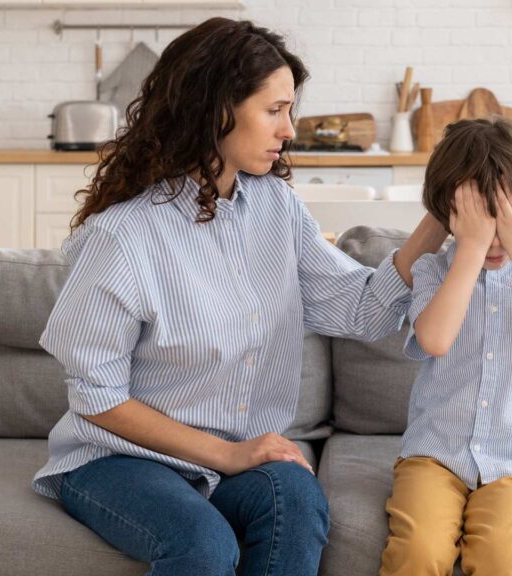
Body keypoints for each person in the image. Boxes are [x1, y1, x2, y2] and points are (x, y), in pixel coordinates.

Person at [30, 17, 446, 576]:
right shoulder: (122, 238)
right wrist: (228, 454)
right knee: (204, 545)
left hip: (236, 461)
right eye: (274, 110)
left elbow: (363, 309)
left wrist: (438, 217)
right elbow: (98, 398)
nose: (290, 129)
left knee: (296, 500)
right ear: (217, 109)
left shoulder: (277, 208)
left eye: (289, 110)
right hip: (120, 460)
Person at [379, 117, 512, 576]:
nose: (494, 238)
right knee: (418, 552)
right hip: (434, 456)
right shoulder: (435, 271)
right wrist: (470, 251)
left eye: (505, 219)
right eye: (479, 221)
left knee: (500, 557)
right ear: (448, 214)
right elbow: (435, 339)